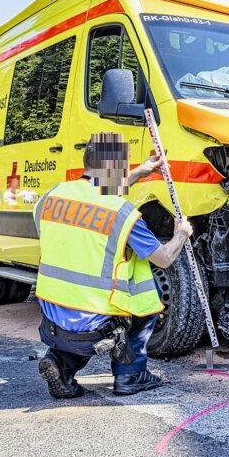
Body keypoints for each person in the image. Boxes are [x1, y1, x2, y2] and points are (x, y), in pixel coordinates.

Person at [34, 133, 193, 399]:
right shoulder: (121, 213)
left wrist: (140, 172)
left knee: (79, 320)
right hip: (96, 318)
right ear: (113, 169)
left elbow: (96, 196)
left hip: (52, 312)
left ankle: (61, 363)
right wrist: (182, 234)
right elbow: (164, 258)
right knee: (144, 300)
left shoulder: (51, 197)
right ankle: (131, 374)